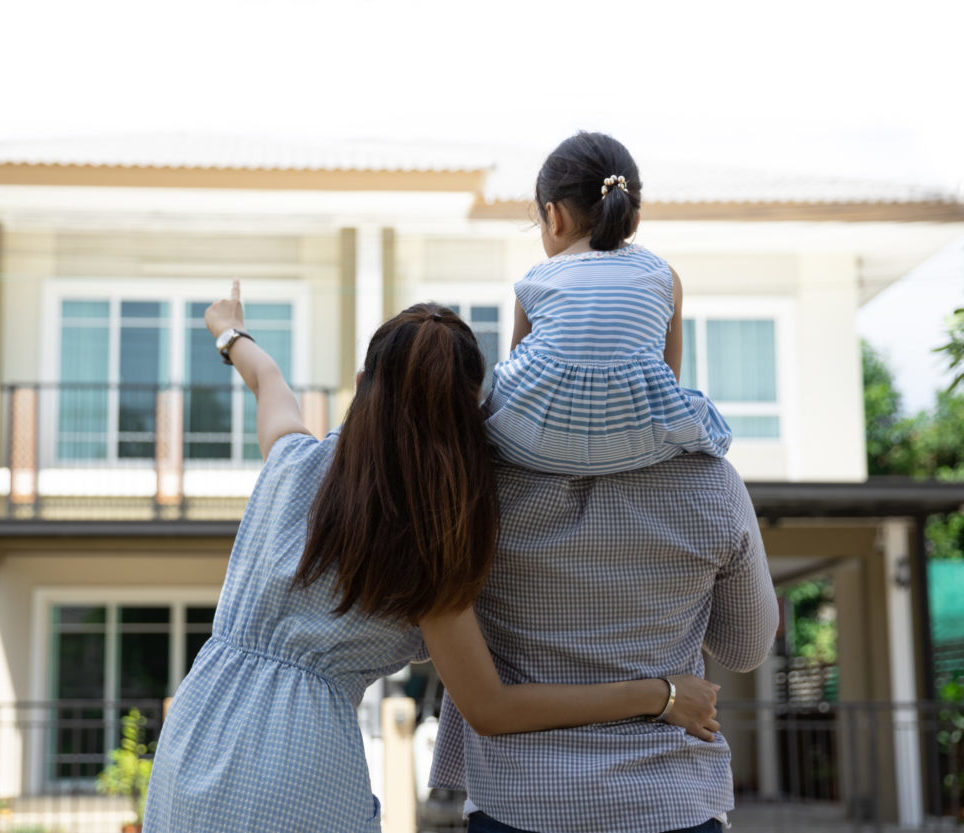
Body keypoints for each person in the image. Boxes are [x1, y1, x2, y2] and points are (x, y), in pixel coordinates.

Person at [142, 283, 722, 833]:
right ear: (465, 413)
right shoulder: (425, 539)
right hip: (301, 758)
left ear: (362, 383)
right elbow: (489, 707)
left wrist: (230, 332)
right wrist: (662, 695)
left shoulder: (290, 466)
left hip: (197, 734)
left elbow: (270, 384)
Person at [427, 135, 780, 833]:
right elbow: (746, 648)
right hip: (670, 805)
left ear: (553, 219)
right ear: (632, 216)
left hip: (520, 806)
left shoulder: (476, 487)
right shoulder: (712, 486)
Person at [485, 131, 732, 475]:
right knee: (700, 407)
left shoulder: (536, 281)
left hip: (533, 446)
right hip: (640, 445)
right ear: (634, 219)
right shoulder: (663, 277)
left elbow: (513, 384)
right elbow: (668, 382)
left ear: (553, 217)